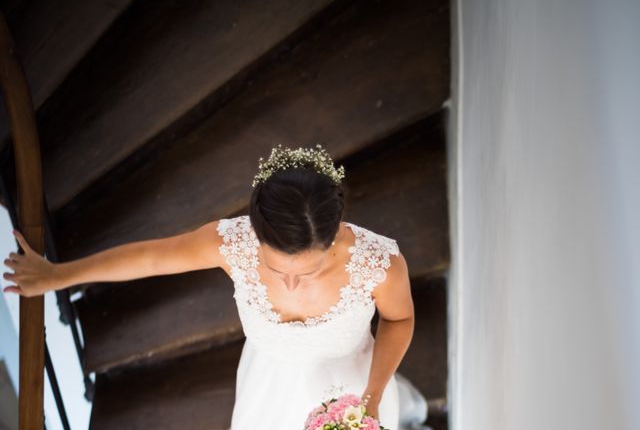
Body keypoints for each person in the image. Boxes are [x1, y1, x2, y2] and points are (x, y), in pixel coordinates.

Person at [2, 143, 429, 429]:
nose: (292, 283)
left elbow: (400, 318)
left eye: (310, 271)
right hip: (269, 379)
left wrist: (370, 398)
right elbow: (150, 258)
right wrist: (58, 275)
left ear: (334, 236)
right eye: (276, 268)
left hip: (354, 382)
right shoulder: (233, 245)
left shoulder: (378, 264)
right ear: (256, 237)